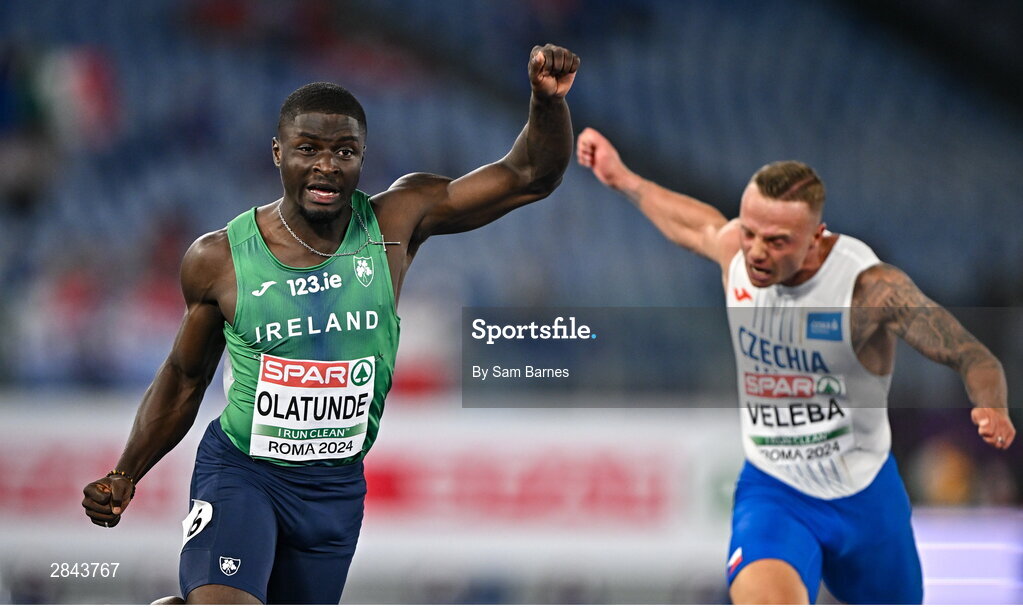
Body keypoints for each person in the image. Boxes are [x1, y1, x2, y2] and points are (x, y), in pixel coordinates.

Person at [81, 44, 580, 605]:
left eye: (345, 151)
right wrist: (126, 473)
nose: (327, 164)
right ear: (278, 153)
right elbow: (183, 378)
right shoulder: (219, 259)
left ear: (363, 158)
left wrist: (546, 101)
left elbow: (530, 176)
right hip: (245, 472)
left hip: (335, 489)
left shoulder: (395, 220)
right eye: (308, 149)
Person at [576, 127, 1015, 604]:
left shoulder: (868, 288)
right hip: (776, 492)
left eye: (778, 240)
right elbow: (695, 226)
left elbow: (968, 353)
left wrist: (990, 404)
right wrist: (622, 179)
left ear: (816, 240)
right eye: (749, 232)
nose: (757, 251)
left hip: (866, 499)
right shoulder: (738, 257)